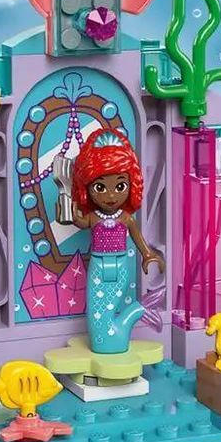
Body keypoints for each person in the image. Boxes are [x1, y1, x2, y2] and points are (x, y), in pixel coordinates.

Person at [54, 129, 163, 354]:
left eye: (120, 186)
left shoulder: (125, 218)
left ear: (131, 185)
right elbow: (80, 222)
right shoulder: (94, 217)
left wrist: (148, 254)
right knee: (97, 310)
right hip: (98, 266)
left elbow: (137, 236)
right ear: (87, 189)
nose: (111, 195)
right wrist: (68, 214)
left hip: (121, 266)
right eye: (100, 187)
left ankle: (136, 315)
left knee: (108, 305)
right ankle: (116, 331)